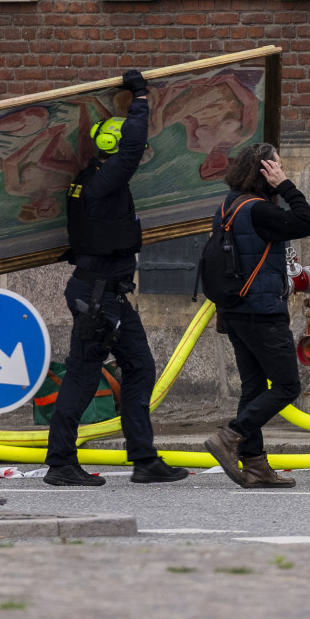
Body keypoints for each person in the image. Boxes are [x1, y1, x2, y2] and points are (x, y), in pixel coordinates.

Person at [43, 70, 192, 488]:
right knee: (83, 376)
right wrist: (140, 97)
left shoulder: (91, 178)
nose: (139, 156)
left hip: (109, 295)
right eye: (135, 150)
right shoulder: (104, 181)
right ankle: (60, 464)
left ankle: (144, 458)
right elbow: (129, 150)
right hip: (97, 295)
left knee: (141, 367)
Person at [202, 143, 310, 487]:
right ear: (264, 171)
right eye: (277, 167)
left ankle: (254, 464)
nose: (281, 172)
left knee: (254, 388)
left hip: (233, 311)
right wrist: (286, 186)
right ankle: (230, 436)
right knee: (286, 386)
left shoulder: (228, 205)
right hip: (261, 311)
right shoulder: (259, 211)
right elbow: (308, 223)